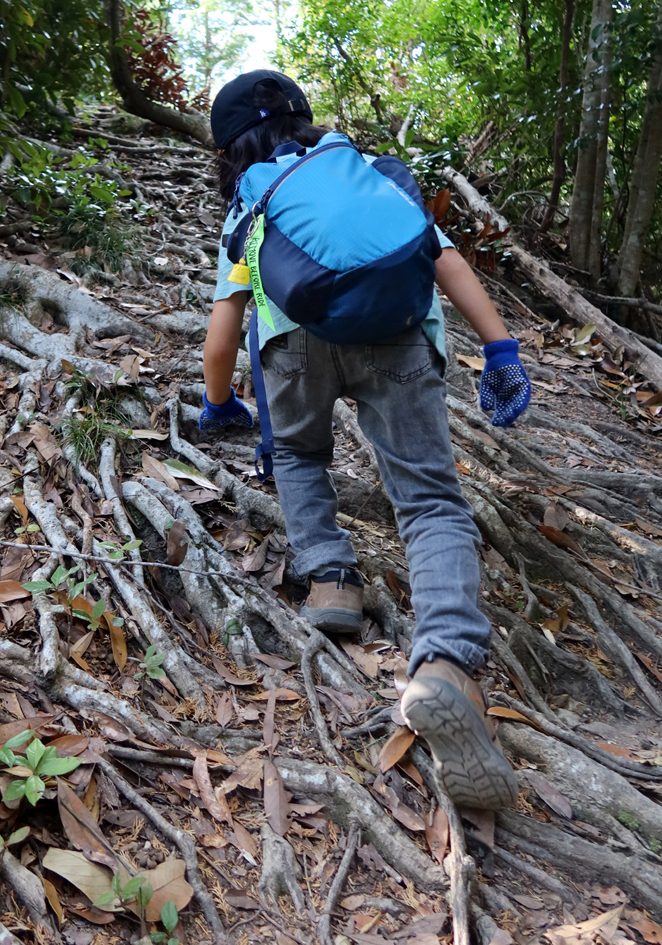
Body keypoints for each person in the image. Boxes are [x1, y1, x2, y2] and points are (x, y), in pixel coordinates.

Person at [198, 69, 531, 809]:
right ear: (306, 121)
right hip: (400, 339)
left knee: (298, 455)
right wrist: (501, 348)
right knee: (429, 502)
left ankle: (328, 580)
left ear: (227, 148)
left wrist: (218, 404)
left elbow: (223, 334)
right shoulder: (370, 174)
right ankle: (445, 663)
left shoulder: (254, 201)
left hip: (295, 348)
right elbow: (445, 261)